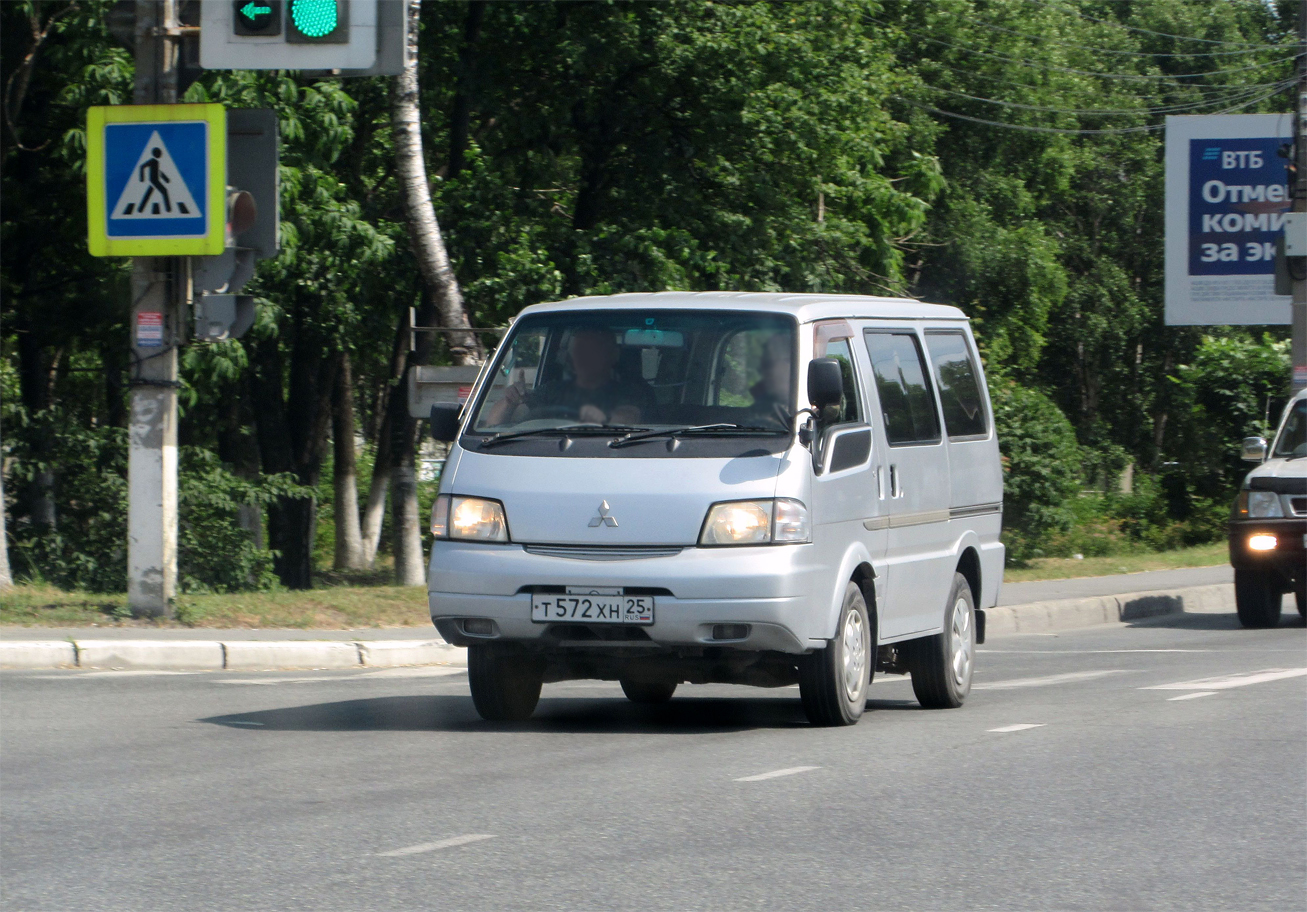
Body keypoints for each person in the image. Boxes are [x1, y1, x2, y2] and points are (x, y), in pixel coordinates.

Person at [487, 325, 654, 426]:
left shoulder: (630, 391)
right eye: (578, 349)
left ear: (613, 355)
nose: (582, 356)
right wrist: (510, 402)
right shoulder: (551, 390)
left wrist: (601, 418)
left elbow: (629, 418)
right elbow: (492, 425)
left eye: (592, 350)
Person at [747, 332, 794, 427]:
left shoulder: (822, 417)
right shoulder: (752, 415)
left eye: (767, 364)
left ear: (791, 364)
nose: (761, 371)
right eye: (762, 365)